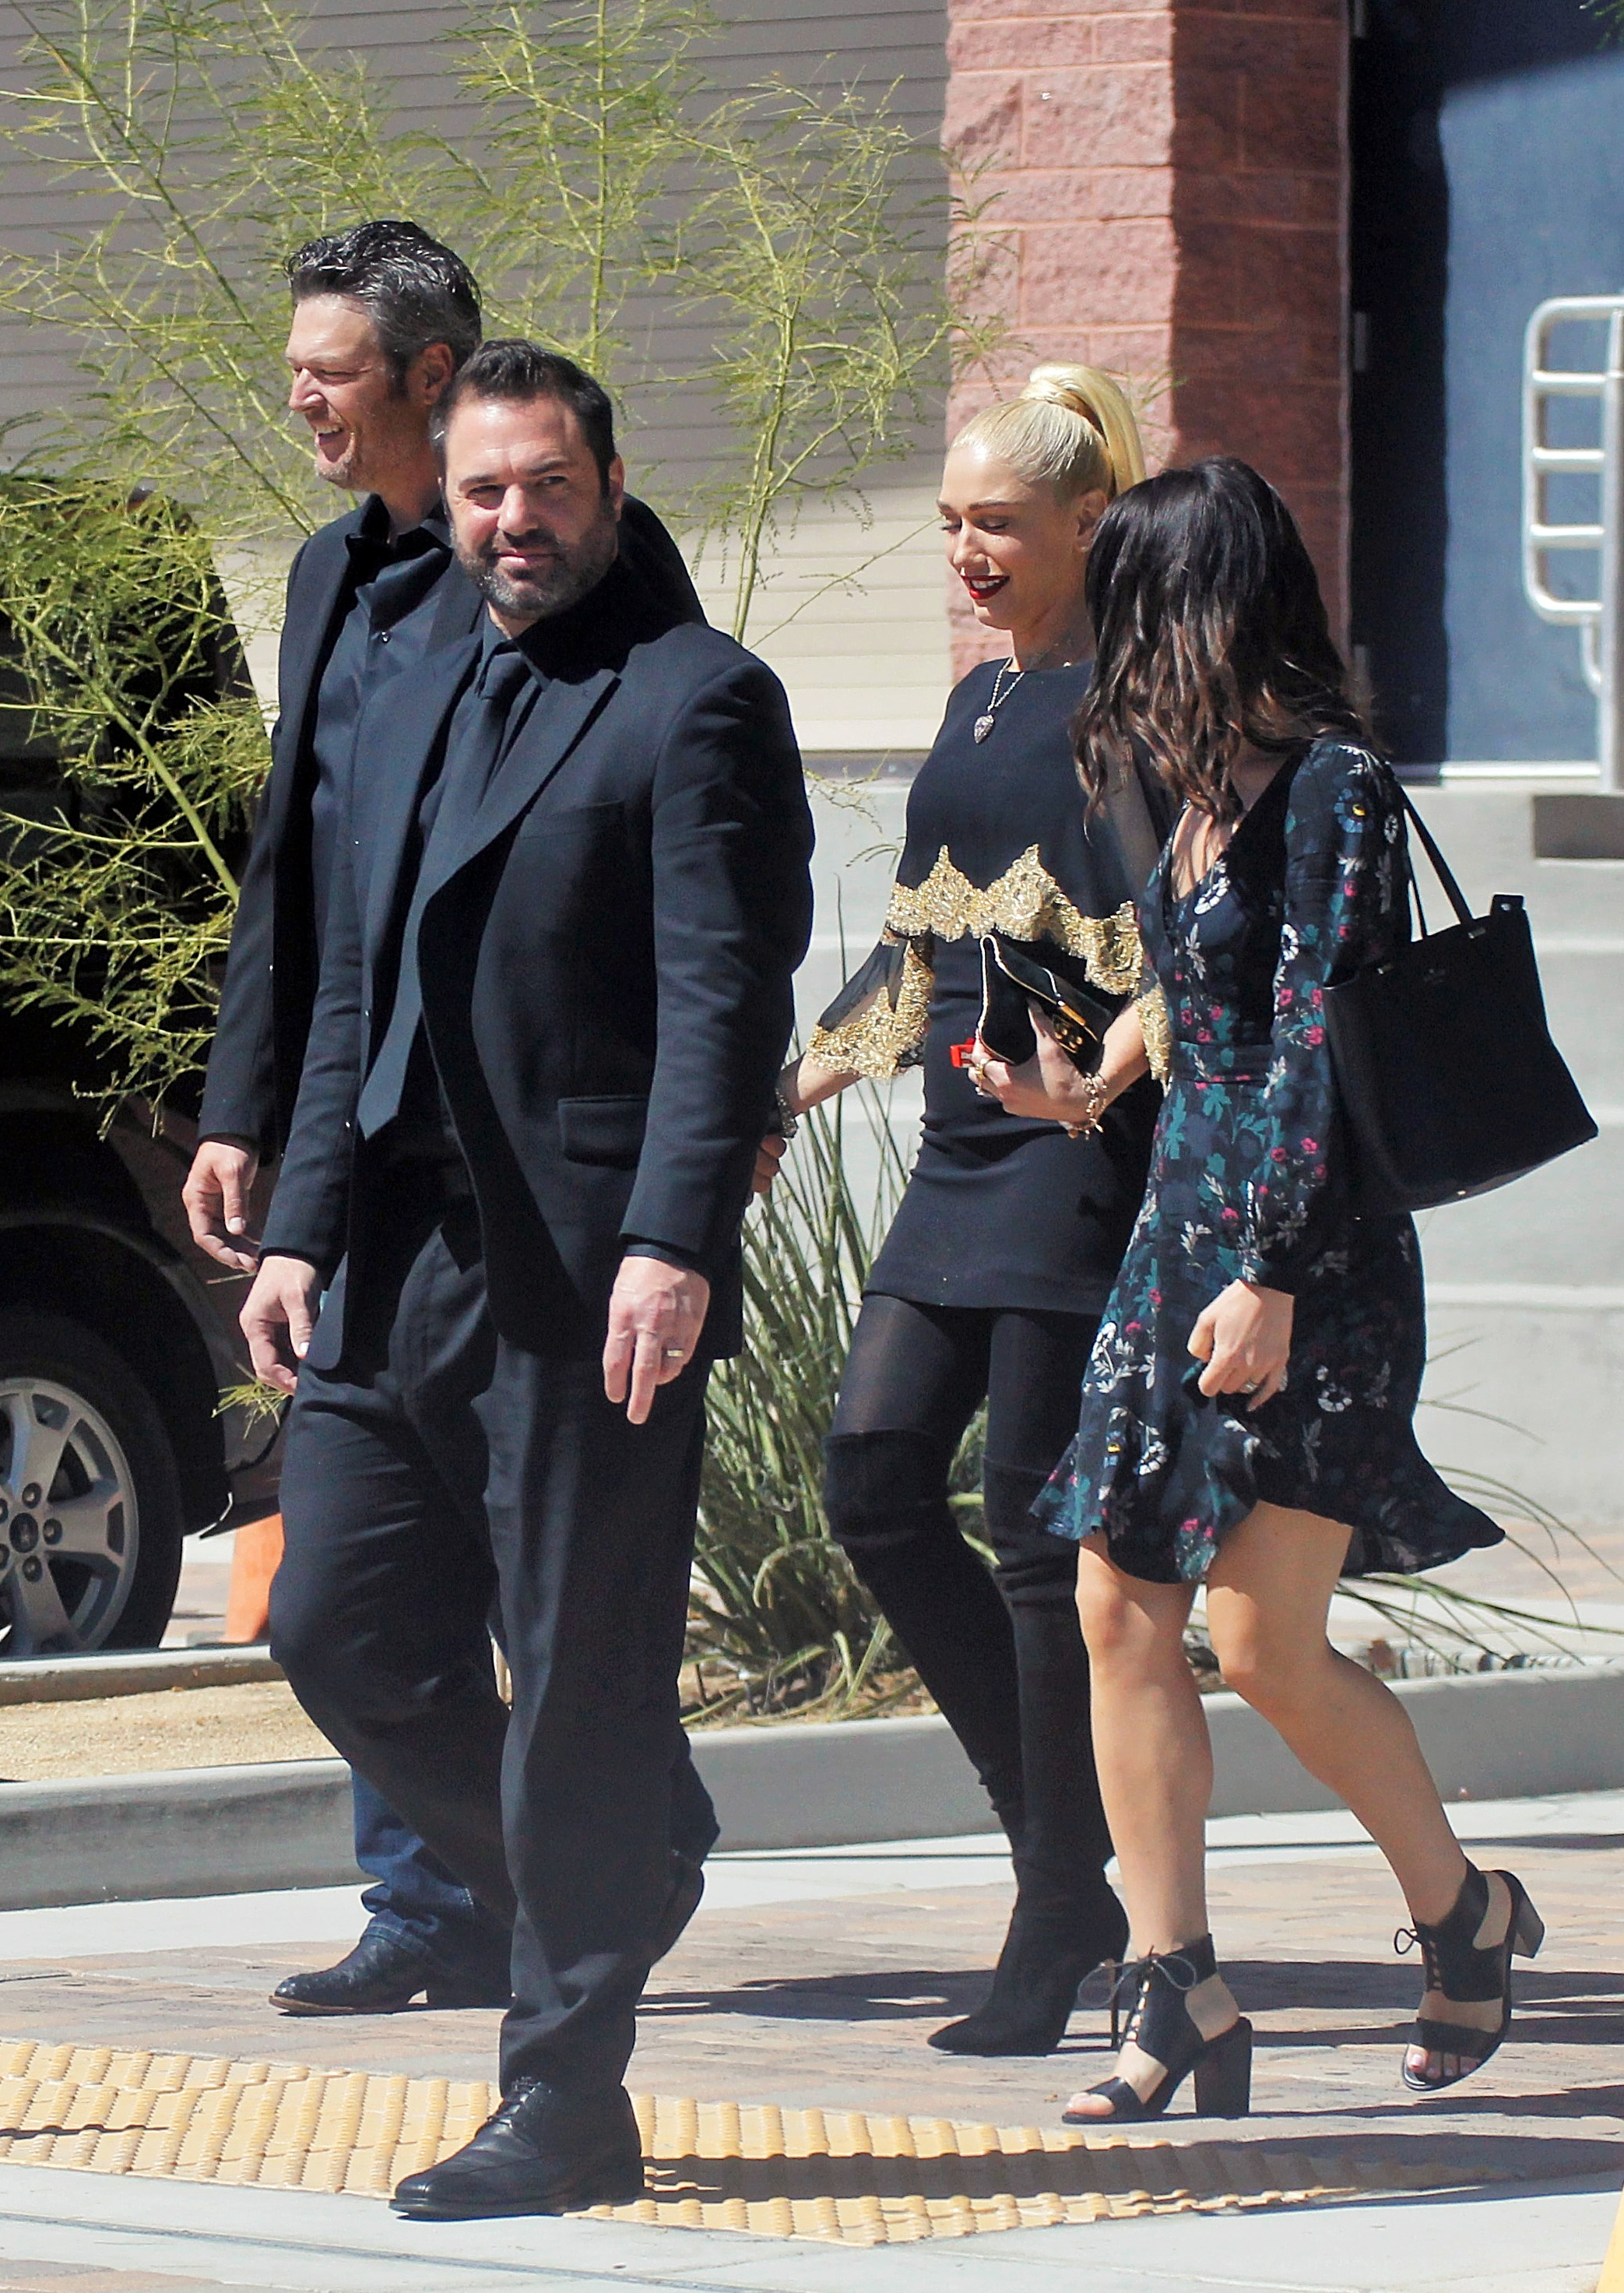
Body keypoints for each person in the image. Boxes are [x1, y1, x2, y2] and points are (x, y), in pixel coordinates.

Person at [236, 339, 814, 2217]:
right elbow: (353, 980)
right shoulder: (410, 682)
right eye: (481, 490)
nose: (511, 521)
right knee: (333, 1625)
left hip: (581, 1277)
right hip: (392, 1253)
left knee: (577, 1679)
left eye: (546, 487)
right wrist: (302, 1221)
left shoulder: (696, 698)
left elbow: (724, 998)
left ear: (611, 488)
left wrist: (671, 1239)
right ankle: (617, 1865)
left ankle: (566, 2102)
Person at [182, 221, 707, 2020]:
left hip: (537, 1170)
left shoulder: (593, 581)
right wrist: (249, 1112)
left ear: (427, 373)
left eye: (328, 370)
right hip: (366, 1122)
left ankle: (556, 1880)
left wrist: (679, 1168)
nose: (301, 400)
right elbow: (304, 874)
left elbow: (671, 858)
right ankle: (478, 1888)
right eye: (292, 370)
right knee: (354, 1582)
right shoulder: (332, 577)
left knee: (516, 1576)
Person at [975, 458, 1540, 2125]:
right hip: (1177, 1233)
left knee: (1262, 1640)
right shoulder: (1184, 789)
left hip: (1311, 1259)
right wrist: (1091, 1071)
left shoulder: (1330, 789)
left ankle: (1461, 1910)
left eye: (1130, 604)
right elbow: (1196, 998)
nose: (1110, 643)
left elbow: (1313, 1035)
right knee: (1112, 1606)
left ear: (1197, 606)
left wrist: (1273, 1273)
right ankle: (1178, 1990)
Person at [768, 367, 1168, 2056]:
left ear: (1089, 518)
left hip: (1074, 1153)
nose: (964, 551)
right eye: (948, 524)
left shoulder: (1135, 708)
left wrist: (1094, 1078)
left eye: (995, 522)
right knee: (872, 1478)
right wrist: (791, 1088)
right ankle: (1061, 1856)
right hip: (956, 1153)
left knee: (1026, 1532)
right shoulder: (975, 702)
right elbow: (916, 950)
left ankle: (1056, 1897)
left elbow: (1177, 947)